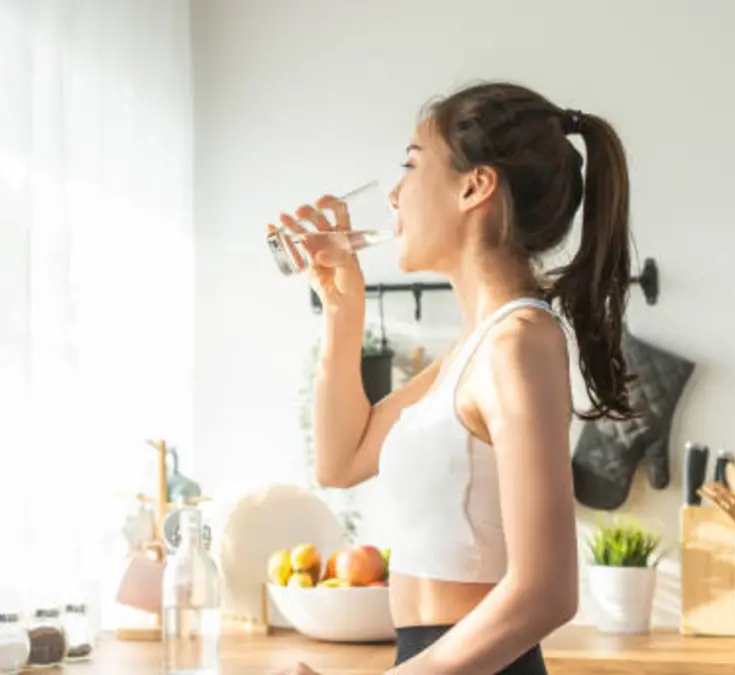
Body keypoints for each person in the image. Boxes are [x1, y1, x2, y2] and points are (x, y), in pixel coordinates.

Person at [267, 80, 637, 675]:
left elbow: (547, 592)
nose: (394, 195)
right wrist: (342, 307)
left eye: (411, 165)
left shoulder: (519, 342)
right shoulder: (472, 350)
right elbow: (340, 461)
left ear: (474, 186)